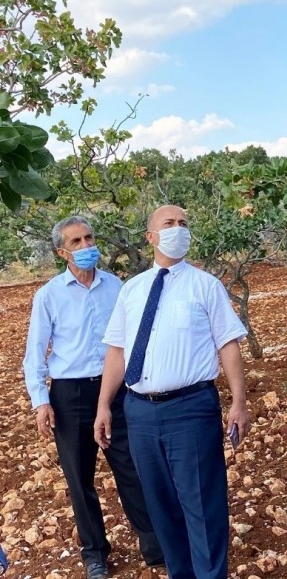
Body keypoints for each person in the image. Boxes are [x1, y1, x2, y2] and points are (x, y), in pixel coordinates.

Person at [93, 205, 249, 579]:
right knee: (160, 505)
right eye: (169, 224)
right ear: (151, 237)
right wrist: (103, 405)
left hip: (190, 408)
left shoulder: (205, 285)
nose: (178, 229)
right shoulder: (132, 289)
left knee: (201, 504)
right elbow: (117, 350)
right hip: (140, 411)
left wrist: (239, 402)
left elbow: (228, 344)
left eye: (183, 224)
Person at [23, 216, 163, 579]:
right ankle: (94, 553)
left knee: (130, 466)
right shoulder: (49, 295)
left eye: (89, 238)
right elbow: (34, 352)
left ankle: (152, 542)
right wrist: (41, 401)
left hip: (114, 389)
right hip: (70, 396)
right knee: (79, 476)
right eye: (77, 242)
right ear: (61, 251)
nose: (87, 247)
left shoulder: (116, 286)